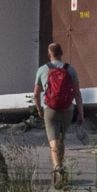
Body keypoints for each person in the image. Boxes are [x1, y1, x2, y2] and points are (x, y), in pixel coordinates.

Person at [32, 42, 82, 184]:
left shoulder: (42, 70)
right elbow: (77, 94)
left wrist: (39, 109)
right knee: (61, 139)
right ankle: (61, 165)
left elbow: (36, 94)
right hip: (67, 110)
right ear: (62, 53)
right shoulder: (70, 70)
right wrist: (81, 113)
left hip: (51, 110)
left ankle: (57, 167)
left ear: (49, 55)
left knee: (53, 142)